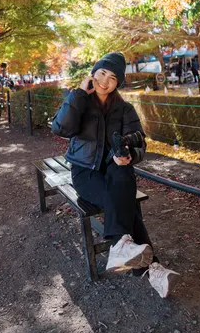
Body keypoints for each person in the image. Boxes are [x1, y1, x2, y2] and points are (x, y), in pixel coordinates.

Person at [52, 52, 179, 298]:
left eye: (113, 77)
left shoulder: (125, 109)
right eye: (102, 73)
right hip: (85, 172)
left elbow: (140, 142)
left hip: (116, 169)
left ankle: (124, 248)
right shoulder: (80, 100)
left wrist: (130, 155)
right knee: (124, 201)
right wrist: (78, 94)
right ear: (93, 74)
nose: (105, 81)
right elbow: (60, 128)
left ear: (118, 82)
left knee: (122, 175)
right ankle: (153, 269)